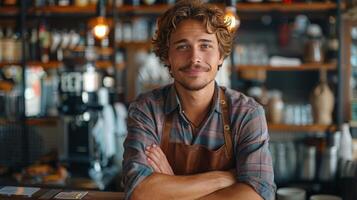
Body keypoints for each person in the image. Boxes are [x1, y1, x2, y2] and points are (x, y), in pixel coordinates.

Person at [122, 0, 276, 199]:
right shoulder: (147, 109)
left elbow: (257, 195)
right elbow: (140, 191)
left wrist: (171, 188)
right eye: (182, 46)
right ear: (167, 56)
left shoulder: (246, 113)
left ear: (220, 55)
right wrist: (223, 179)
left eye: (205, 45)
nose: (195, 57)